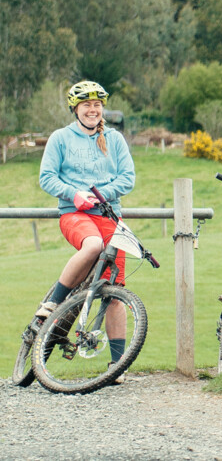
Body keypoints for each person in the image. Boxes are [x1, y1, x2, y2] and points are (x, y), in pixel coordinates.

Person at [36, 80, 136, 382]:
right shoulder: (61, 138)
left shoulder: (114, 139)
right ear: (75, 109)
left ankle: (117, 366)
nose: (92, 110)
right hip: (75, 214)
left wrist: (101, 194)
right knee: (92, 246)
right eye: (86, 105)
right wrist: (75, 194)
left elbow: (127, 178)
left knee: (115, 290)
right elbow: (47, 177)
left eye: (97, 105)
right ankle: (53, 301)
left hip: (109, 215)